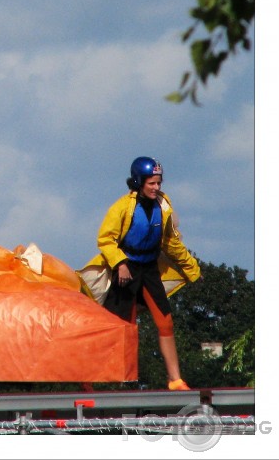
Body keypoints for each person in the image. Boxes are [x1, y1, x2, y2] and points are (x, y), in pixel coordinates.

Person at [79, 157, 201, 391]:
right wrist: (120, 264)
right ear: (139, 182)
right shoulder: (123, 206)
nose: (156, 187)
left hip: (149, 269)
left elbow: (170, 242)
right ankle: (88, 379)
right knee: (118, 327)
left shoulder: (163, 205)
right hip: (126, 270)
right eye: (151, 183)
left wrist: (191, 269)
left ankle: (175, 379)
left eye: (159, 183)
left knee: (166, 323)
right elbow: (105, 239)